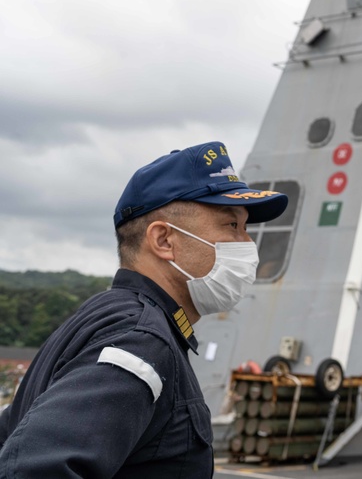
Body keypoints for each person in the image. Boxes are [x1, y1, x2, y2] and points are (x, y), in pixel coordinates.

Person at [0, 142, 287, 478]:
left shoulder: (104, 315)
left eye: (246, 228)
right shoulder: (139, 341)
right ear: (164, 240)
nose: (248, 245)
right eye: (231, 226)